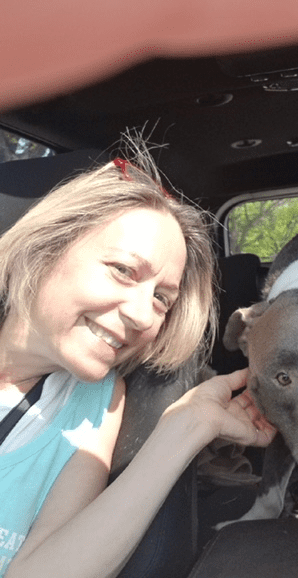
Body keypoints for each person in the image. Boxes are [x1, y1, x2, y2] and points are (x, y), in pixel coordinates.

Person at [0, 138, 277, 578]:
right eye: (124, 270)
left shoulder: (97, 402)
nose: (142, 315)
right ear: (45, 247)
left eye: (162, 300)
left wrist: (189, 426)